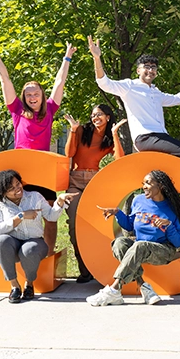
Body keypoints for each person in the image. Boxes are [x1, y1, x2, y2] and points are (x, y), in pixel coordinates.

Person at [89, 35, 180, 222]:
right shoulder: (129, 86)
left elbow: (178, 99)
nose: (150, 70)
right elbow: (104, 83)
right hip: (145, 137)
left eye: (153, 68)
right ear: (138, 70)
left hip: (160, 136)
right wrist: (97, 58)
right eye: (146, 67)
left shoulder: (156, 92)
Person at [0, 34, 76, 255]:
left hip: (42, 169)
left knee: (50, 212)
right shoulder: (17, 110)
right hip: (21, 170)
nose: (32, 96)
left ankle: (47, 252)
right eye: (28, 94)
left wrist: (67, 58)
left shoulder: (51, 109)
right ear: (24, 98)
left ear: (42, 96)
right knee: (15, 210)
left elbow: (59, 82)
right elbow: (5, 80)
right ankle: (12, 250)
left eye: (36, 93)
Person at [86, 170, 180, 306]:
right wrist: (117, 213)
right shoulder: (139, 200)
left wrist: (169, 226)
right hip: (141, 246)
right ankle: (144, 287)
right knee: (119, 243)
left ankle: (113, 290)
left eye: (148, 183)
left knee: (140, 245)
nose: (144, 186)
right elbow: (130, 225)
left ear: (160, 186)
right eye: (143, 183)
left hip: (165, 250)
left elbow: (178, 242)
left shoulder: (173, 207)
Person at [0, 170, 78, 303]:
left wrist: (59, 202)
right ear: (3, 193)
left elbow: (51, 216)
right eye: (11, 189)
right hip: (12, 242)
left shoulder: (35, 197)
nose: (17, 189)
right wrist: (21, 216)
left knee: (29, 249)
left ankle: (29, 284)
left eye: (18, 184)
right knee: (1, 241)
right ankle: (14, 286)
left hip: (34, 241)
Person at [64, 105, 127, 283]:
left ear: (107, 117)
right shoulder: (83, 130)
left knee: (98, 226)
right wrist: (73, 131)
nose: (95, 118)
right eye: (93, 115)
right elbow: (69, 153)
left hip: (94, 181)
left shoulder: (107, 138)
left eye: (99, 114)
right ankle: (84, 271)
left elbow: (120, 160)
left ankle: (99, 266)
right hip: (75, 180)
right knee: (74, 227)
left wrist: (114, 134)